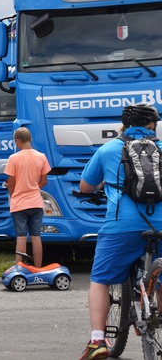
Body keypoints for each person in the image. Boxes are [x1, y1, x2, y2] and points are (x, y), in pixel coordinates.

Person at [78, 103, 162, 360]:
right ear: (151, 126)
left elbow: (85, 187)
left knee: (100, 279)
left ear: (124, 125)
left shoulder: (108, 149)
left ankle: (97, 340)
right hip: (160, 224)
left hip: (122, 227)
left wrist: (106, 181)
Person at [4, 127, 51, 268]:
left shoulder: (14, 158)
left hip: (19, 204)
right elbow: (44, 181)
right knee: (36, 238)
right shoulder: (41, 157)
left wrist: (14, 196)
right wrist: (34, 189)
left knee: (21, 237)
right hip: (36, 202)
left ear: (18, 140)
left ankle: (20, 268)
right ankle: (38, 268)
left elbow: (10, 182)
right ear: (30, 139)